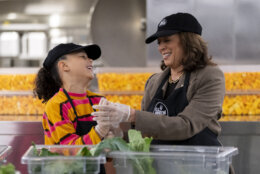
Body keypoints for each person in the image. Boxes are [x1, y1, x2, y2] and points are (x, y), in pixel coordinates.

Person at [93, 12, 226, 147]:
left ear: (188, 41)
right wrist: (118, 134)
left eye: (167, 40)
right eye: (159, 42)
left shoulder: (210, 76)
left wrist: (132, 115)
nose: (161, 47)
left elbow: (187, 125)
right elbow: (144, 133)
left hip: (199, 164)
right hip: (161, 165)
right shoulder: (154, 82)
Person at [34, 43, 111, 145]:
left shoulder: (99, 101)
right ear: (64, 66)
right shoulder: (57, 105)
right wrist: (99, 132)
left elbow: (110, 147)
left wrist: (112, 137)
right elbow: (69, 150)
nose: (91, 60)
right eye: (83, 57)